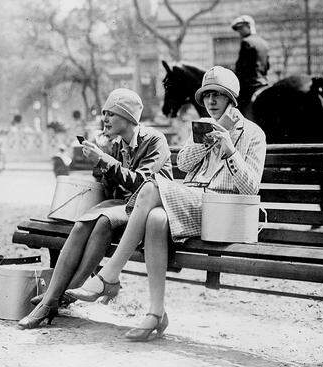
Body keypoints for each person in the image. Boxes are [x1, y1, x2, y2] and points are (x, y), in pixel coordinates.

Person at [67, 66, 266, 340]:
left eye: (218, 96)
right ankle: (156, 312)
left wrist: (229, 148)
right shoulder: (204, 127)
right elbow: (183, 164)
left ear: (232, 100)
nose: (211, 101)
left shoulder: (253, 134)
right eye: (207, 96)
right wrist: (207, 140)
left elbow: (250, 187)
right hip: (194, 202)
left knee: (150, 188)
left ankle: (109, 274)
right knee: (155, 219)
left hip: (223, 209)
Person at [18, 88, 173, 329]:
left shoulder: (154, 140)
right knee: (83, 223)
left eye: (111, 114)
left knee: (102, 220)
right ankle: (54, 298)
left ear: (129, 118)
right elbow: (112, 189)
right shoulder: (117, 144)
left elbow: (141, 183)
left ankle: (56, 298)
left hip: (150, 207)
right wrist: (99, 164)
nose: (105, 119)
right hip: (124, 207)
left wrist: (104, 160)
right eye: (104, 114)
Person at [231, 15, 270, 113]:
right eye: (238, 29)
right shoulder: (264, 43)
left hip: (250, 85)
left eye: (241, 28)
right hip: (264, 83)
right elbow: (267, 66)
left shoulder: (246, 42)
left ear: (249, 26)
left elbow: (240, 68)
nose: (239, 32)